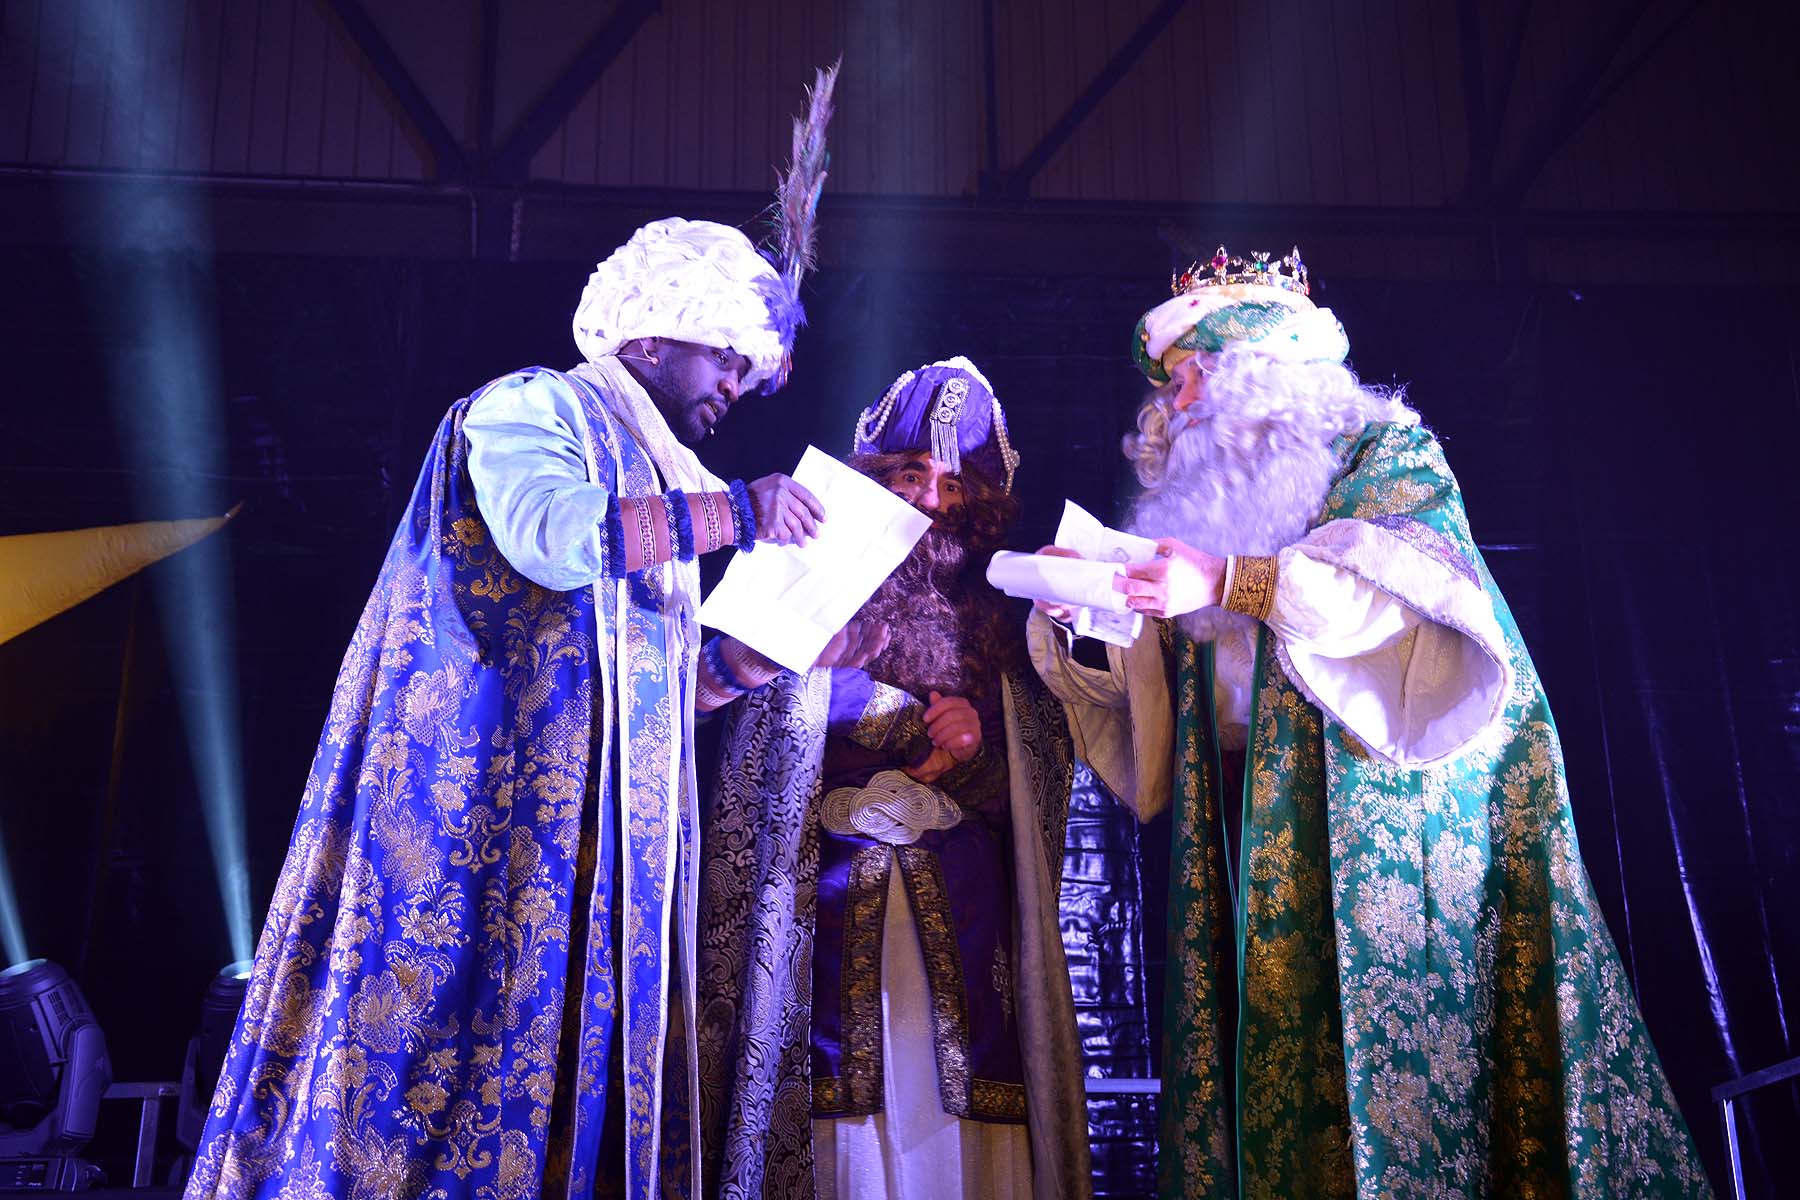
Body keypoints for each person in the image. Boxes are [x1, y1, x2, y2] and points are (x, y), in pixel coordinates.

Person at [184, 68, 850, 1200]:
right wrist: (736, 512)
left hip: (608, 870)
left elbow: (641, 691)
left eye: (750, 368)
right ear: (653, 338)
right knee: (440, 1091)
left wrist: (732, 668)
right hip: (488, 838)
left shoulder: (666, 485)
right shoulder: (536, 405)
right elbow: (549, 535)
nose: (737, 387)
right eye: (725, 357)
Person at [1029, 248, 1711, 1198]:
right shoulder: (1213, 508)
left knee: (1420, 1105)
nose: (1169, 408)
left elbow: (1389, 604)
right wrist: (1101, 614)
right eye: (1167, 386)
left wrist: (1226, 579)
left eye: (1187, 380)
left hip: (1387, 835)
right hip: (1255, 843)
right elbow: (1193, 699)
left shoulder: (1385, 457)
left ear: (1256, 374)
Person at [694, 359, 1092, 1200]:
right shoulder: (798, 572)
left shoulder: (1002, 620)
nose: (932, 500)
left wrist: (978, 747)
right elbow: (748, 715)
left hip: (966, 922)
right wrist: (885, 713)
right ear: (874, 478)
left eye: (953, 483)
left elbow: (1034, 793)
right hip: (820, 905)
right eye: (912, 473)